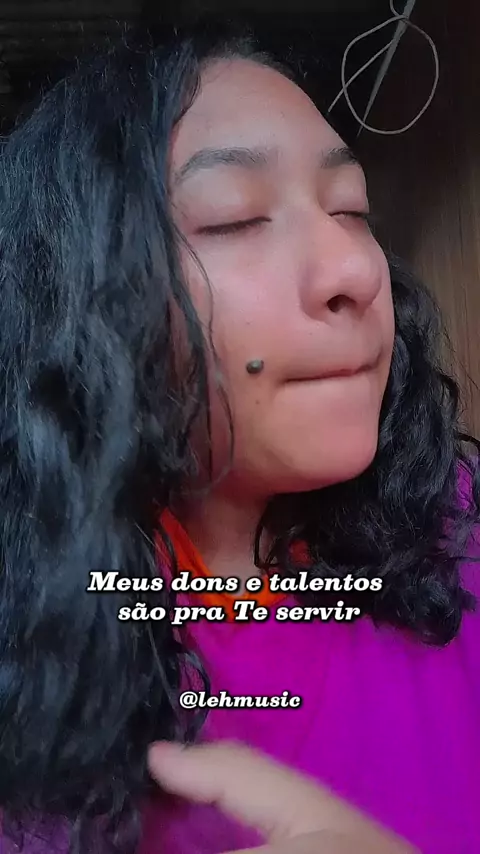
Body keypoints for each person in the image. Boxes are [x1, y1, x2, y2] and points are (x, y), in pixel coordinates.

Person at [0, 22, 478, 854]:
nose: (357, 271)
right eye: (236, 218)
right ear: (89, 303)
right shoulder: (26, 652)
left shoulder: (459, 529)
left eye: (351, 209)